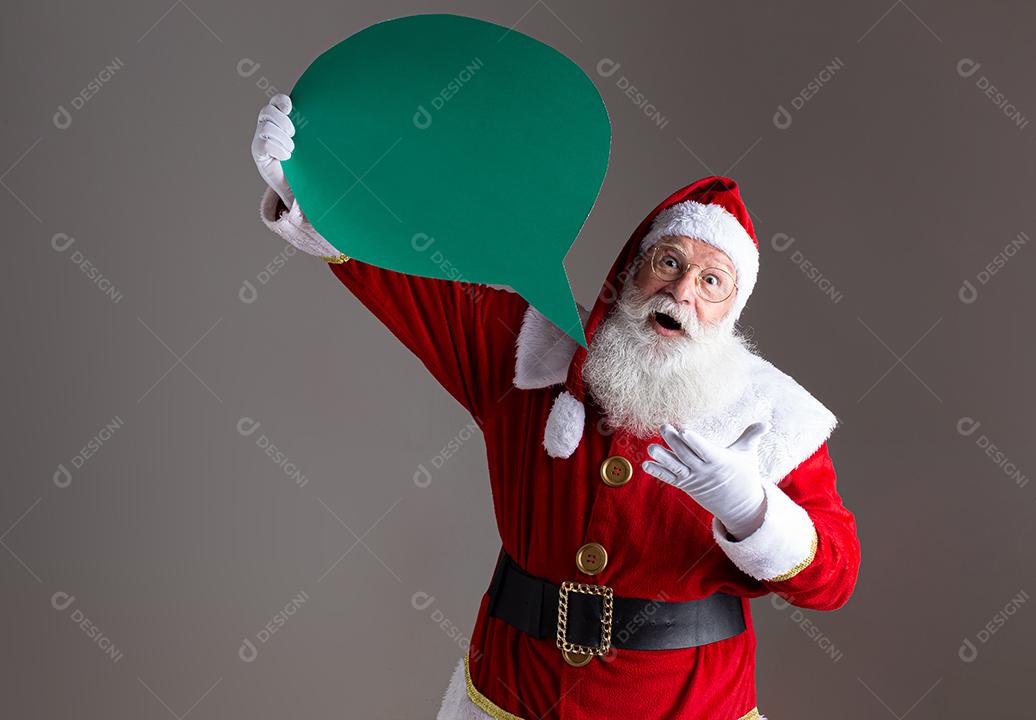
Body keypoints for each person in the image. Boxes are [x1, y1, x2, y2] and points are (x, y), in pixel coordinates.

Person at [252, 93, 860, 720]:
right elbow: (410, 284)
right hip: (513, 692)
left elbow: (834, 579)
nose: (681, 290)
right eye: (669, 263)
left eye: (711, 280)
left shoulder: (772, 416)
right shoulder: (528, 353)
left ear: (730, 310)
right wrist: (311, 188)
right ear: (631, 272)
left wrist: (750, 507)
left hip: (685, 706)